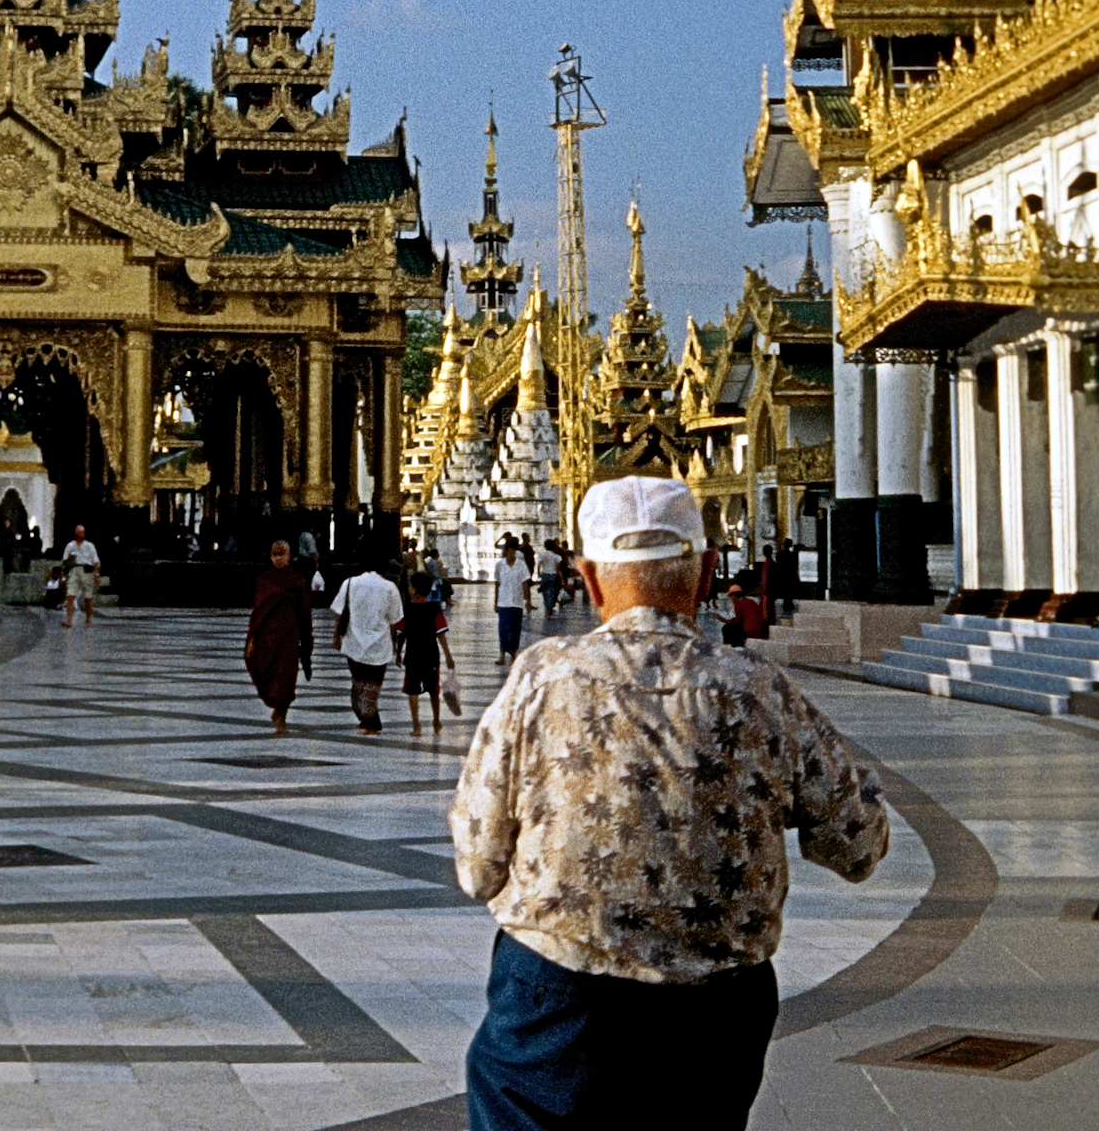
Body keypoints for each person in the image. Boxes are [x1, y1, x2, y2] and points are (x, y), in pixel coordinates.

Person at [452, 477, 888, 1131]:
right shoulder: (758, 688)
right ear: (707, 571)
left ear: (591, 581)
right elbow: (855, 844)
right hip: (714, 1011)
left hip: (559, 996)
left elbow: (477, 863)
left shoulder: (541, 679)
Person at [243, 539, 313, 732]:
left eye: (282, 555)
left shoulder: (297, 581)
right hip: (266, 636)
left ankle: (282, 715)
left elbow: (305, 613)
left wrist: (306, 641)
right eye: (275, 555)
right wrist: (252, 638)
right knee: (264, 672)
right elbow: (258, 611)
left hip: (288, 637)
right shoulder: (264, 580)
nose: (278, 559)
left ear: (289, 557)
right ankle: (277, 708)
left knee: (286, 678)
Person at [329, 559, 405, 735]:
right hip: (380, 644)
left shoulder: (349, 583)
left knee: (359, 682)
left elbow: (340, 612)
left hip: (353, 641)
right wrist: (394, 643)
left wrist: (336, 637)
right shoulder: (390, 588)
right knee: (373, 685)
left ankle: (369, 719)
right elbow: (395, 620)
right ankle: (370, 721)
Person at [398, 569, 454, 735]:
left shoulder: (407, 610)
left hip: (413, 656)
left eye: (409, 586)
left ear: (414, 589)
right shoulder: (434, 608)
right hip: (431, 656)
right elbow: (441, 634)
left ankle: (417, 726)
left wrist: (398, 652)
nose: (408, 588)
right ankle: (436, 721)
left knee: (412, 690)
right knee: (433, 690)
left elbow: (401, 633)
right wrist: (448, 656)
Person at [493, 537, 529, 662]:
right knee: (503, 628)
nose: (511, 553)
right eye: (509, 551)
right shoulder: (500, 565)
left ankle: (513, 652)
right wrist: (495, 601)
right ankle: (502, 654)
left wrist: (528, 600)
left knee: (515, 629)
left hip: (517, 602)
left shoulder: (521, 565)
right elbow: (497, 583)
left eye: (513, 551)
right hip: (503, 602)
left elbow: (525, 583)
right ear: (506, 551)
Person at [58, 524, 102, 628]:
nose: (80, 534)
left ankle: (88, 620)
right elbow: (64, 561)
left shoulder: (89, 546)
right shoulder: (70, 545)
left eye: (82, 532)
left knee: (88, 596)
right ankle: (69, 620)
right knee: (70, 594)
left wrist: (96, 574)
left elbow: (96, 561)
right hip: (74, 569)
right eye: (78, 532)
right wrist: (69, 559)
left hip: (86, 570)